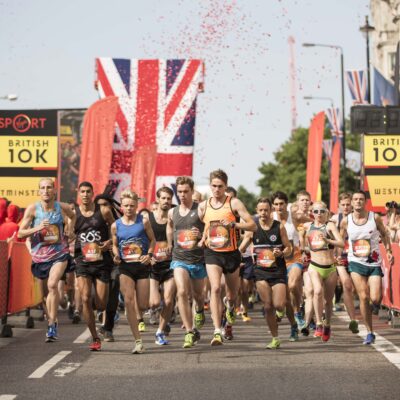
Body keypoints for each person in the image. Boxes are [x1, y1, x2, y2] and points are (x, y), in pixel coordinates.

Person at [198, 169, 256, 346]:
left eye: (220, 186)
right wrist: (202, 238)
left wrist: (234, 224)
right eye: (214, 186)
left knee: (232, 295)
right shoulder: (203, 206)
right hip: (212, 253)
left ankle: (230, 307)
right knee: (215, 288)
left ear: (225, 186)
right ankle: (216, 331)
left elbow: (253, 226)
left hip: (231, 253)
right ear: (210, 186)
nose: (217, 189)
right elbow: (204, 226)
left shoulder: (234, 203)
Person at [18, 178, 75, 342]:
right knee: (44, 294)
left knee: (52, 285)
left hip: (59, 253)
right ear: (39, 191)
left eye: (49, 187)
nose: (46, 191)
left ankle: (52, 324)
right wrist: (38, 227)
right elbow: (21, 233)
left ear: (54, 190)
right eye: (43, 188)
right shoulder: (33, 209)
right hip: (41, 255)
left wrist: (70, 230)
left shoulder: (61, 207)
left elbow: (73, 215)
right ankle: (51, 318)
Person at [340, 190, 394, 345]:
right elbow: (340, 238)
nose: (358, 202)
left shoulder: (374, 217)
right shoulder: (346, 220)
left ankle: (370, 308)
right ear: (351, 202)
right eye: (355, 199)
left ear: (365, 202)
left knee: (375, 298)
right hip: (355, 262)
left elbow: (385, 234)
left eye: (361, 199)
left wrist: (389, 251)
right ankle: (370, 332)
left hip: (374, 262)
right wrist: (337, 255)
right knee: (363, 296)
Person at [240, 198, 292, 349]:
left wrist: (281, 252)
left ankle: (280, 312)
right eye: (260, 210)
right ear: (257, 211)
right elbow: (242, 247)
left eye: (266, 210)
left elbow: (288, 248)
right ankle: (275, 338)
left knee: (279, 305)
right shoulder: (253, 227)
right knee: (268, 306)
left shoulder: (279, 226)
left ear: (271, 211)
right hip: (260, 271)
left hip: (278, 271)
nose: (263, 213)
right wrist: (240, 251)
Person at [111, 190, 155, 354]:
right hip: (125, 267)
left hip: (142, 266)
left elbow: (153, 240)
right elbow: (115, 244)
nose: (129, 208)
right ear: (121, 206)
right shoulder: (116, 225)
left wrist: (149, 255)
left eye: (132, 205)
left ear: (137, 205)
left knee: (142, 305)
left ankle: (139, 315)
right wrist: (115, 255)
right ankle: (138, 341)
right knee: (129, 301)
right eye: (126, 205)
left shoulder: (143, 221)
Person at [74, 182, 115, 351]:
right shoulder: (74, 213)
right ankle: (95, 337)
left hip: (101, 262)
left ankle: (96, 310)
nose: (85, 194)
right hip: (82, 261)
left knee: (101, 304)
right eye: (82, 191)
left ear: (92, 194)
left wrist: (110, 242)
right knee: (84, 298)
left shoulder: (103, 211)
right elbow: (68, 231)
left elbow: (116, 229)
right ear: (79, 193)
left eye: (88, 192)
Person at [167, 177, 206, 348]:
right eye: (179, 191)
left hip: (197, 259)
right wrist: (170, 243)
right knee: (182, 292)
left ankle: (199, 309)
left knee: (198, 296)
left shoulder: (200, 210)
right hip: (179, 258)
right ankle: (190, 331)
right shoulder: (172, 212)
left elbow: (210, 229)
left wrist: (200, 235)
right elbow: (170, 226)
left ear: (191, 191)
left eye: (185, 191)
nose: (182, 195)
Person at [300, 201, 344, 342]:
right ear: (312, 213)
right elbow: (302, 241)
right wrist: (302, 249)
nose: (319, 214)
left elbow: (341, 243)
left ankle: (328, 325)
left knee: (328, 301)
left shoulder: (330, 226)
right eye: (316, 211)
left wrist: (328, 241)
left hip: (330, 267)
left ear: (327, 213)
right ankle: (318, 323)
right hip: (314, 266)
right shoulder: (307, 226)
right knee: (317, 291)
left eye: (322, 211)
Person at [272, 191, 305, 329]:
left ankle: (297, 313)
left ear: (286, 204)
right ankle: (287, 309)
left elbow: (314, 219)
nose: (279, 207)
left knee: (292, 285)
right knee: (290, 292)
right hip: (277, 259)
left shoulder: (295, 217)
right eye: (276, 204)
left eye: (281, 204)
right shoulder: (270, 218)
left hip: (294, 256)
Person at [149, 186, 176, 345]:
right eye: (163, 198)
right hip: (153, 265)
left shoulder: (174, 217)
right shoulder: (149, 218)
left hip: (170, 264)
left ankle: (160, 331)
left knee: (168, 299)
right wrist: (147, 255)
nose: (166, 201)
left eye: (168, 198)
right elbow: (142, 239)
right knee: (153, 302)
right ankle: (159, 316)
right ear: (158, 199)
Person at [330, 192, 359, 334]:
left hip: (356, 255)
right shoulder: (335, 219)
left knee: (351, 288)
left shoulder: (358, 218)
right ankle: (352, 319)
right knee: (346, 283)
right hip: (340, 255)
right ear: (339, 206)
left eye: (348, 204)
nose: (346, 207)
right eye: (343, 205)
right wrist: (334, 255)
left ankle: (352, 317)